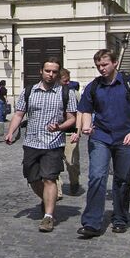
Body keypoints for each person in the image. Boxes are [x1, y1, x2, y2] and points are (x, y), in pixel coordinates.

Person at [74, 49, 130, 238]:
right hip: (100, 136)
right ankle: (92, 223)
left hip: (126, 137)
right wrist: (86, 126)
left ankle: (120, 219)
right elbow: (85, 109)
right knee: (96, 176)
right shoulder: (94, 86)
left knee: (122, 179)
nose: (101, 68)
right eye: (98, 66)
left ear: (115, 63)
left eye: (105, 64)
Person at [5, 60, 77, 232]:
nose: (50, 74)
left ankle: (48, 217)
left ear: (58, 73)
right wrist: (10, 132)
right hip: (31, 142)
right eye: (47, 71)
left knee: (49, 178)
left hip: (53, 142)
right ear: (41, 71)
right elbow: (19, 114)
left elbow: (72, 118)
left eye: (54, 71)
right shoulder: (29, 91)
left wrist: (60, 127)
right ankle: (47, 199)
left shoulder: (66, 93)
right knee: (33, 178)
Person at [56, 68, 81, 197]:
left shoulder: (73, 93)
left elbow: (80, 114)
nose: (68, 83)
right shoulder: (50, 93)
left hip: (70, 133)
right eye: (65, 81)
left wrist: (78, 130)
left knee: (71, 162)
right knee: (53, 163)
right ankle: (57, 191)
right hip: (54, 134)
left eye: (68, 81)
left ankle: (74, 181)